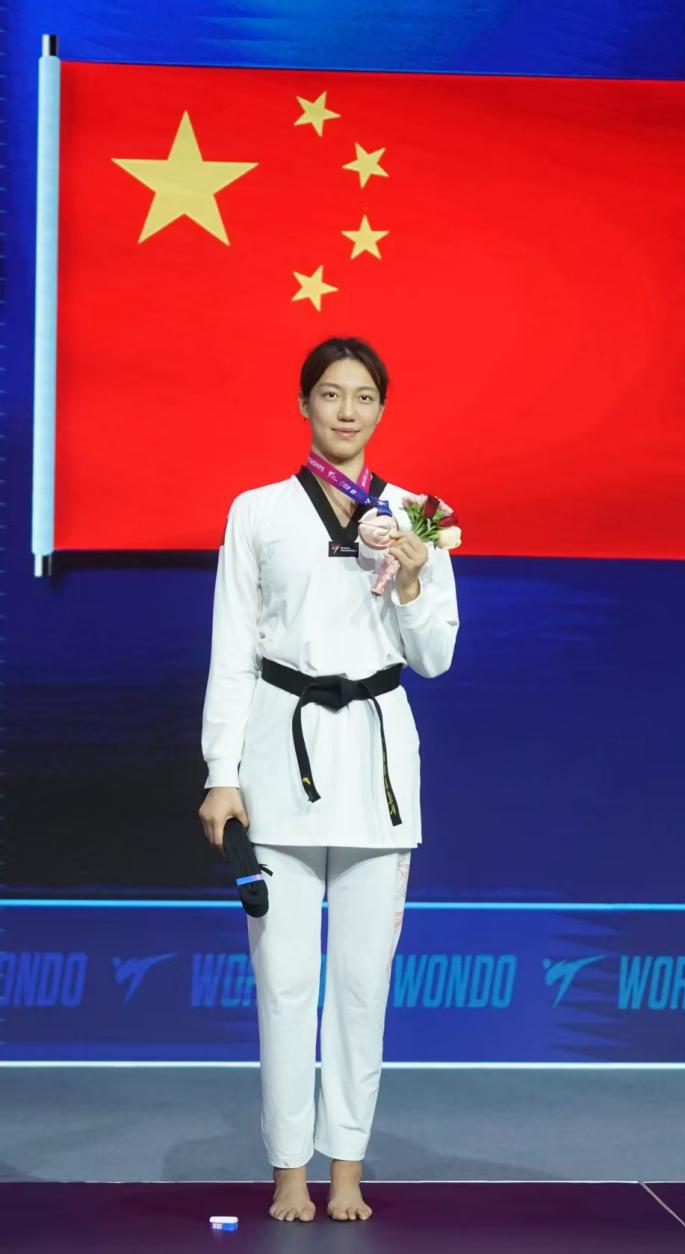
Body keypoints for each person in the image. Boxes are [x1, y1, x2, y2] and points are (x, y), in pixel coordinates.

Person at [198, 336, 460, 1222]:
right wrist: (222, 774)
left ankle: (346, 1169)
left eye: (363, 397)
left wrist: (415, 581)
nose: (347, 411)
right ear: (305, 403)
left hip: (377, 776)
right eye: (330, 394)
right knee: (282, 984)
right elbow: (233, 649)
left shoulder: (417, 515)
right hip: (280, 766)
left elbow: (436, 656)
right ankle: (288, 1170)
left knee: (360, 988)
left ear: (382, 408)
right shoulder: (258, 512)